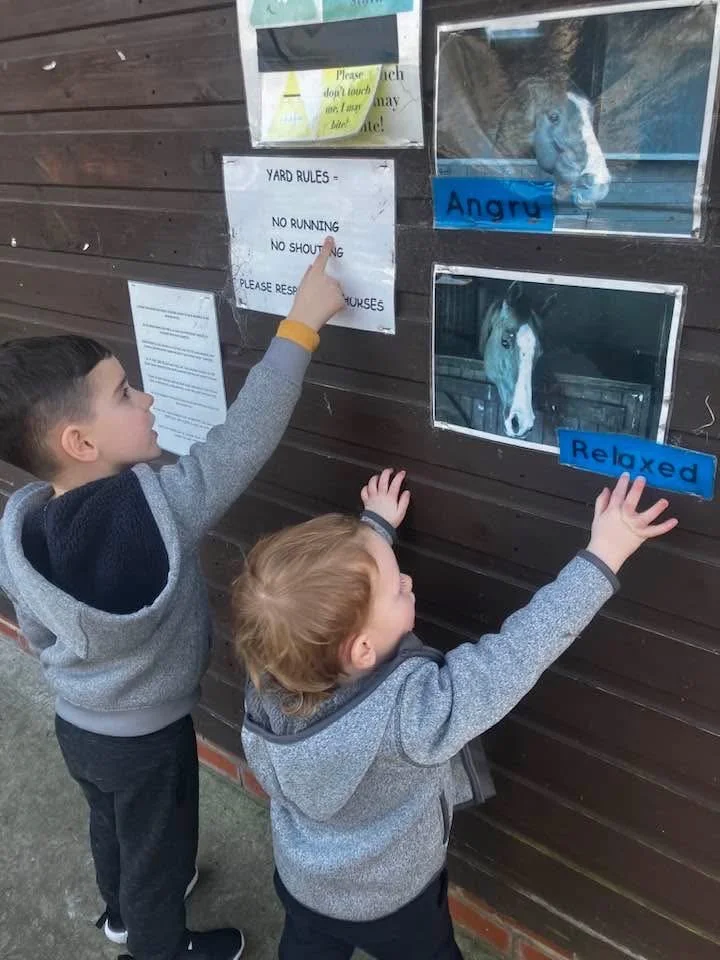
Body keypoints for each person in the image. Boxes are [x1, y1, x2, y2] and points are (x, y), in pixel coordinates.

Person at [0, 240, 345, 960]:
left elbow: (34, 625)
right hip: (148, 739)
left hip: (78, 726)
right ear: (80, 440)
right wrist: (301, 325)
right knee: (161, 853)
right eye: (124, 392)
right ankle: (158, 947)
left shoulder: (25, 522)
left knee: (112, 825)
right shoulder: (159, 510)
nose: (147, 396)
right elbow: (241, 440)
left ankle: (121, 913)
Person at [232, 468, 677, 959]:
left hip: (303, 883)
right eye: (397, 588)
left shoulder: (269, 687)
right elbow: (515, 654)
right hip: (394, 903)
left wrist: (374, 528)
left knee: (306, 950)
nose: (407, 579)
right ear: (360, 650)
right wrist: (603, 556)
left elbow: (330, 597)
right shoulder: (414, 715)